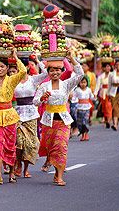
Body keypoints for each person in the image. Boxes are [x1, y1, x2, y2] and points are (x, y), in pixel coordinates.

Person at [33, 51, 84, 186]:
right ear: (48, 72)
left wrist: (71, 58)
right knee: (51, 149)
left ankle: (60, 176)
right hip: (48, 122)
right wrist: (42, 98)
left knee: (61, 147)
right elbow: (35, 101)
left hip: (63, 121)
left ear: (62, 71)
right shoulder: (44, 86)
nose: (55, 73)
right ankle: (56, 172)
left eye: (57, 70)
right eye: (52, 70)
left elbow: (80, 74)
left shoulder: (66, 84)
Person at [0, 50, 27, 185]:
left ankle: (12, 172)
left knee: (9, 146)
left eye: (2, 67)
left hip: (9, 115)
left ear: (7, 68)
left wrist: (15, 57)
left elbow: (23, 71)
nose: (0, 69)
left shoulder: (11, 80)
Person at [14, 56, 47, 178]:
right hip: (17, 113)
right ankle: (18, 164)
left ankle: (26, 169)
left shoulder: (33, 80)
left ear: (27, 67)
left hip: (31, 113)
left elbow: (46, 73)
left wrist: (37, 60)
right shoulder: (13, 80)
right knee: (19, 141)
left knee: (30, 143)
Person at [73, 77, 95, 141]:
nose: (83, 84)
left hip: (87, 107)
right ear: (79, 83)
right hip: (79, 107)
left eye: (84, 82)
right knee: (80, 122)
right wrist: (72, 99)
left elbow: (91, 97)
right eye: (81, 82)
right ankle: (82, 134)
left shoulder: (88, 90)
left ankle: (86, 134)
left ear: (87, 83)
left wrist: (94, 97)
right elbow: (74, 97)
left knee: (85, 121)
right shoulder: (77, 90)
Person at [94, 63, 113, 128]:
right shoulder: (100, 76)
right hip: (103, 93)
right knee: (104, 107)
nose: (107, 68)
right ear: (104, 68)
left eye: (109, 67)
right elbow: (98, 85)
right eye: (106, 67)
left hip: (111, 92)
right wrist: (95, 93)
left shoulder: (112, 75)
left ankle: (109, 120)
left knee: (109, 106)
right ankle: (106, 119)